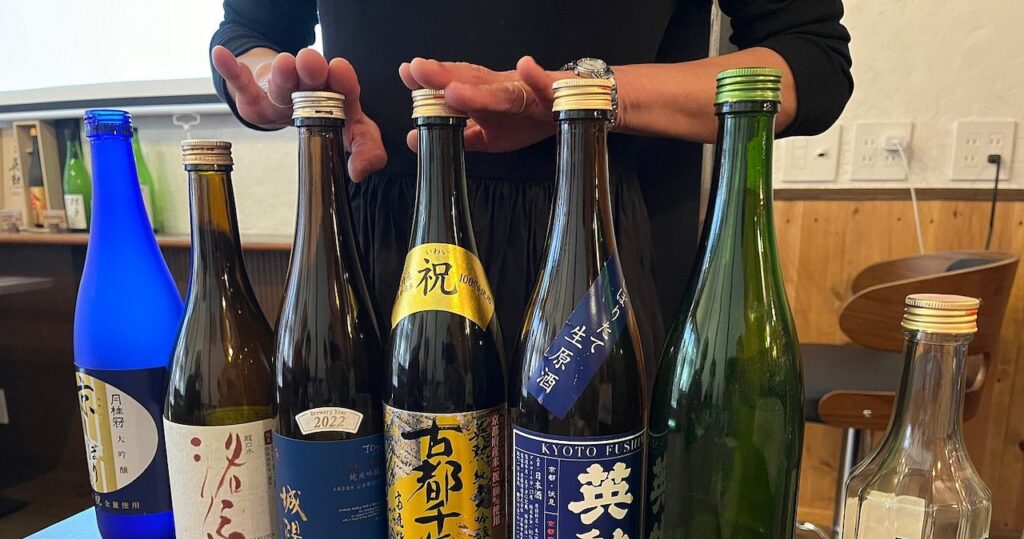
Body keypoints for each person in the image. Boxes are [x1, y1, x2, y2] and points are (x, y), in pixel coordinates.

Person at [210, 1, 852, 372]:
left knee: (579, 536)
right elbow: (249, 30)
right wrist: (277, 87)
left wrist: (583, 98)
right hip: (378, 250)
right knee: (370, 531)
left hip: (591, 248)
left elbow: (811, 63)